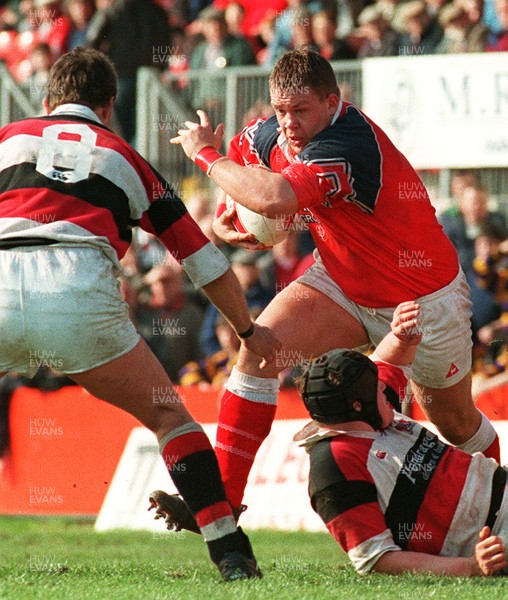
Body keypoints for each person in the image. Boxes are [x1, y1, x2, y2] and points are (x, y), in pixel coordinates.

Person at [168, 47, 500, 520]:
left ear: (331, 101)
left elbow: (276, 197)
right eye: (281, 110)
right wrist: (227, 219)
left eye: (301, 110)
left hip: (423, 298)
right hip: (342, 282)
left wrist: (205, 155)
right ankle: (219, 504)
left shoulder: (349, 143)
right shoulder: (274, 132)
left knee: (455, 421)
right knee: (260, 350)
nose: (288, 123)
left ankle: (499, 512)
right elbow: (245, 171)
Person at [0, 47, 281, 581]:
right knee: (169, 416)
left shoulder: (8, 137)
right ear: (108, 107)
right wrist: (247, 329)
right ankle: (229, 553)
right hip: (78, 302)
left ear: (46, 100)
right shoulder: (126, 157)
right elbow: (202, 260)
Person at [295, 301, 508, 577]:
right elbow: (376, 559)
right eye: (377, 387)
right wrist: (469, 567)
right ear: (358, 406)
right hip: (492, 536)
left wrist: (399, 334)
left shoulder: (366, 410)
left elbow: (389, 359)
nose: (385, 386)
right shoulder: (333, 466)